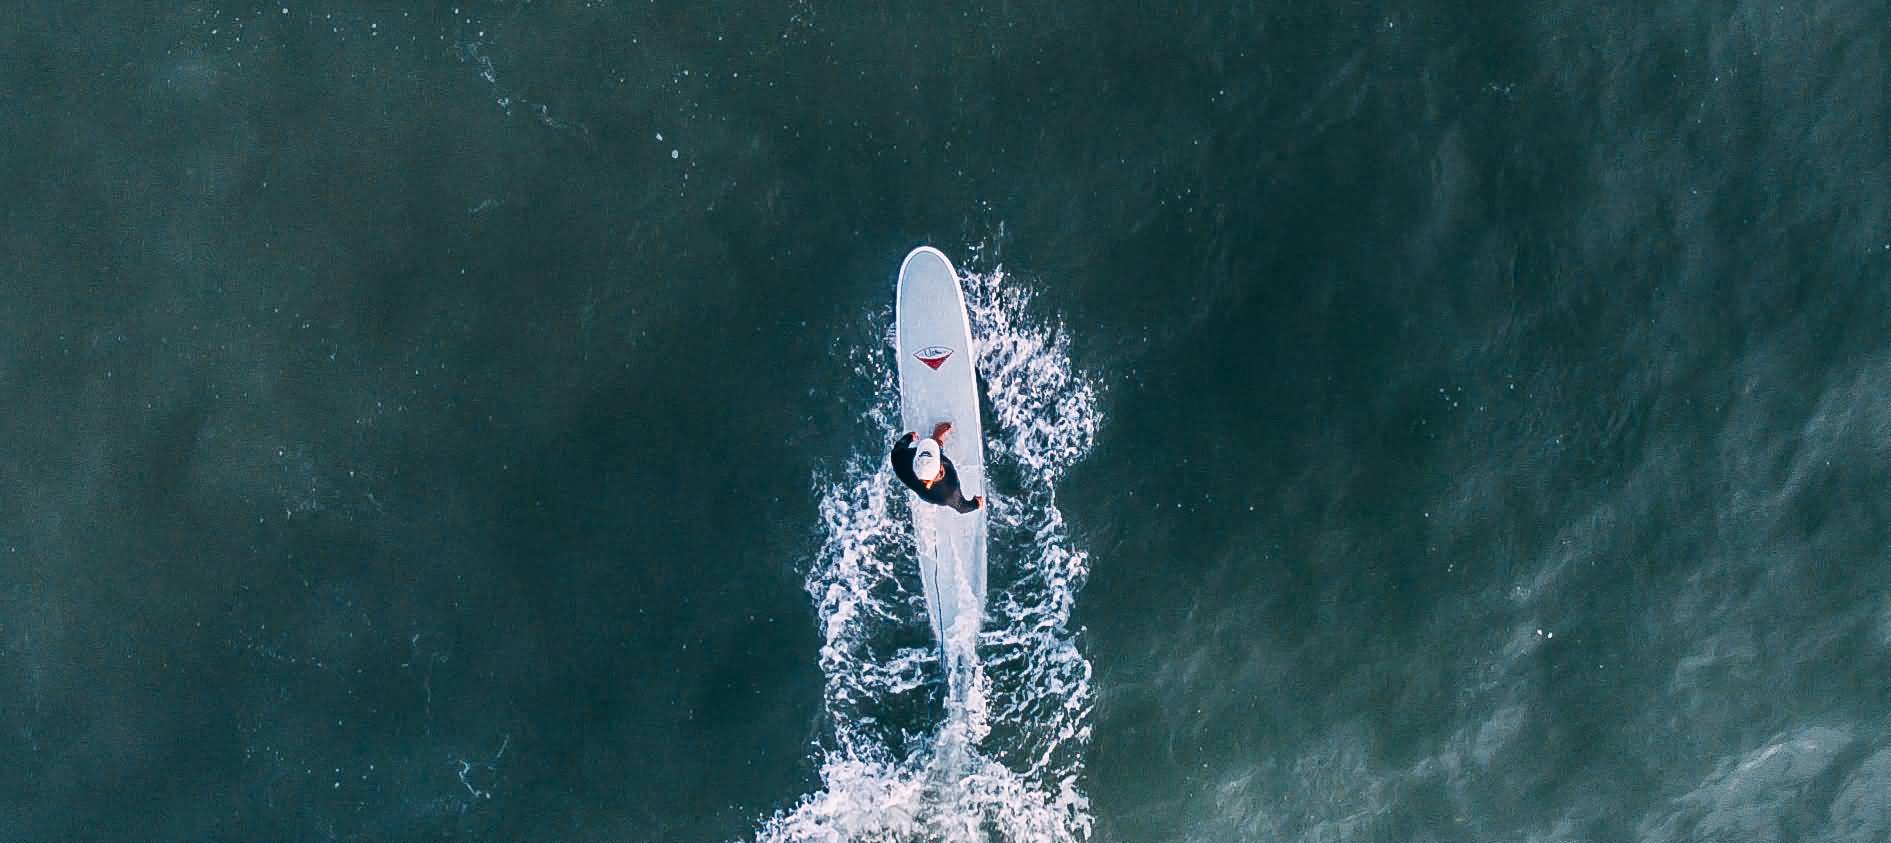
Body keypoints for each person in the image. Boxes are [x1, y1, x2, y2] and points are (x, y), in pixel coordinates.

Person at [890, 422, 985, 514]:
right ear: (941, 471)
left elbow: (896, 449)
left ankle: (935, 441)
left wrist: (909, 437)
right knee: (940, 434)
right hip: (933, 493)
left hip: (920, 479)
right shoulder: (949, 493)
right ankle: (937, 439)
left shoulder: (900, 460)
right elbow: (962, 508)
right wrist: (977, 504)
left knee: (932, 444)